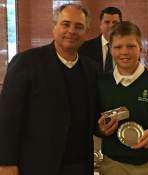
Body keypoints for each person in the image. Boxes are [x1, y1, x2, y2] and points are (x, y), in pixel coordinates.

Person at [0, 3, 98, 175]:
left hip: (80, 166)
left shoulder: (92, 69)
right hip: (36, 165)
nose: (72, 31)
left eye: (79, 26)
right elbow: (7, 117)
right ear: (54, 27)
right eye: (66, 24)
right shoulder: (26, 63)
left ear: (87, 32)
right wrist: (6, 163)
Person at [97, 21, 148, 175]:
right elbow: (93, 122)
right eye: (118, 47)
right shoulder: (102, 83)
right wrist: (101, 129)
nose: (124, 52)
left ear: (140, 47)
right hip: (113, 165)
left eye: (131, 46)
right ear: (110, 49)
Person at [79, 6, 122, 74]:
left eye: (115, 22)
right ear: (101, 25)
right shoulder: (85, 48)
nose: (111, 26)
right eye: (107, 22)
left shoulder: (128, 48)